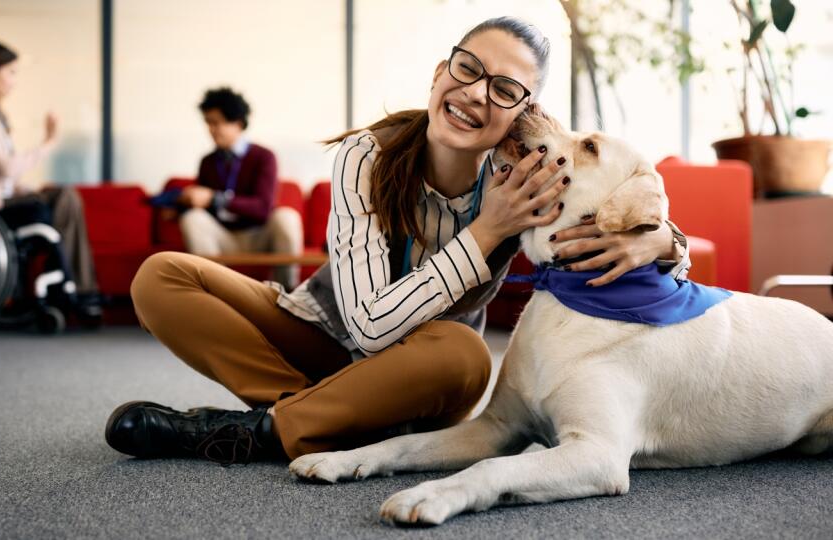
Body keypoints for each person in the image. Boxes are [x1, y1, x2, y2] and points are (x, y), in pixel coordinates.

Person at [105, 17, 690, 464]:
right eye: (467, 69)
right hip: (322, 333)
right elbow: (366, 328)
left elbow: (617, 197)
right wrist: (488, 228)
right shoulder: (369, 154)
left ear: (522, 113)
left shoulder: (529, 174)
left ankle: (269, 429)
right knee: (162, 276)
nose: (477, 93)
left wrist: (661, 241)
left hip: (423, 371)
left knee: (464, 355)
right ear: (440, 74)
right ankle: (317, 419)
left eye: (505, 88)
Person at [0, 41, 102, 320]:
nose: (13, 81)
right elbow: (3, 167)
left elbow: (3, 176)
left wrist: (27, 188)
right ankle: (73, 289)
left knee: (65, 196)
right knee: (59, 202)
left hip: (1, 199)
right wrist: (48, 143)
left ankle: (72, 288)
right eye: (10, 72)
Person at [174, 87, 302, 290]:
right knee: (192, 218)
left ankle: (287, 294)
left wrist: (215, 198)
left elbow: (263, 208)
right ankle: (217, 292)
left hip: (259, 234)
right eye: (208, 122)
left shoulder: (264, 157)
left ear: (238, 123)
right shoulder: (207, 161)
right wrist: (181, 205)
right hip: (223, 236)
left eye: (217, 122)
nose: (212, 129)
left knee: (287, 217)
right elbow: (204, 209)